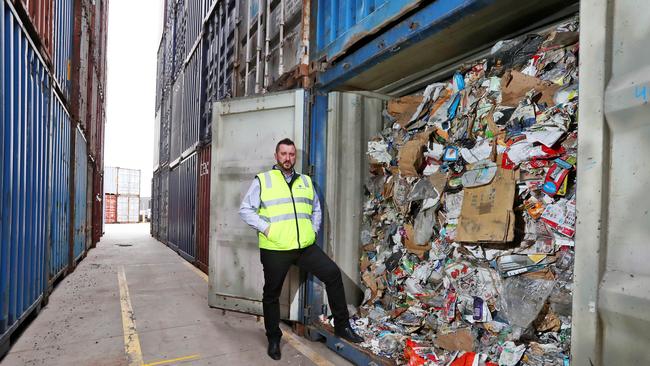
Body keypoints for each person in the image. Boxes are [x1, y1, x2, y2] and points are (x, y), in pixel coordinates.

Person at [239, 138, 363, 360]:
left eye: (292, 154)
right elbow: (246, 209)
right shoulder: (264, 180)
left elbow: (316, 209)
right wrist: (267, 229)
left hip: (304, 246)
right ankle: (274, 338)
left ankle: (342, 326)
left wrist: (313, 231)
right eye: (284, 154)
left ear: (295, 157)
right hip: (276, 247)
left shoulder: (305, 181)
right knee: (271, 294)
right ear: (276, 156)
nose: (288, 158)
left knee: (332, 274)